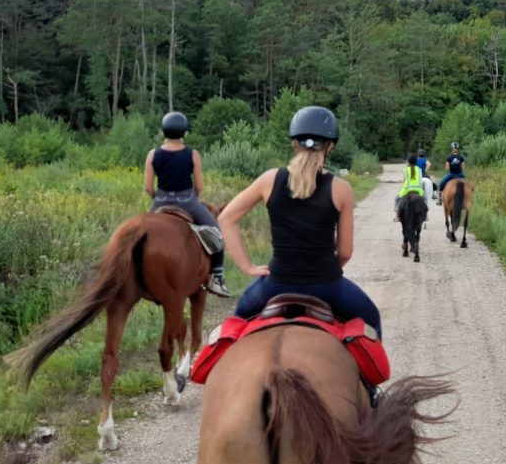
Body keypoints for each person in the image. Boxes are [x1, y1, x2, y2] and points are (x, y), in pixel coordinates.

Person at [217, 106, 381, 341]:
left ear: (295, 144)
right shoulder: (341, 189)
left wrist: (248, 267)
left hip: (275, 283)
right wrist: (325, 270)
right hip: (328, 285)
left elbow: (226, 219)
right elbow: (345, 252)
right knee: (372, 318)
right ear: (330, 146)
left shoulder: (269, 180)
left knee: (234, 329)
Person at [144, 111, 232, 298]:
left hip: (160, 201)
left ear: (164, 131)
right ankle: (218, 278)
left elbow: (148, 187)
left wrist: (157, 198)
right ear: (184, 132)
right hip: (187, 201)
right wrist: (193, 198)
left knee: (140, 234)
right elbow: (199, 186)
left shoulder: (152, 154)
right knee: (216, 233)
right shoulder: (193, 155)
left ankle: (139, 280)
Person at [394, 153, 425, 221]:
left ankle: (397, 216)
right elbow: (420, 180)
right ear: (416, 161)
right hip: (418, 190)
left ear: (408, 161)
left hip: (407, 190)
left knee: (397, 199)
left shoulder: (405, 170)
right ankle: (424, 215)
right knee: (424, 199)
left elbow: (404, 182)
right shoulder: (419, 170)